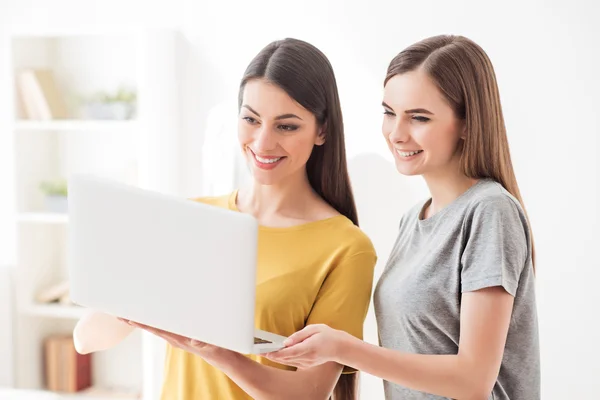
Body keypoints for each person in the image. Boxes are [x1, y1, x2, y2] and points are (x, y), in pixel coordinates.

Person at [266, 34, 540, 400]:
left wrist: (345, 349)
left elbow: (473, 379)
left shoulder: (490, 210)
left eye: (419, 118)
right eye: (389, 112)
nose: (396, 133)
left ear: (467, 123)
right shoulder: (413, 220)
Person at [122, 38, 377, 400]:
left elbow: (308, 394)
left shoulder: (345, 247)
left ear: (322, 130)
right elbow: (88, 337)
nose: (262, 142)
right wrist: (128, 288)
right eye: (250, 119)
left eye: (286, 126)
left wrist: (215, 351)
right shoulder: (190, 217)